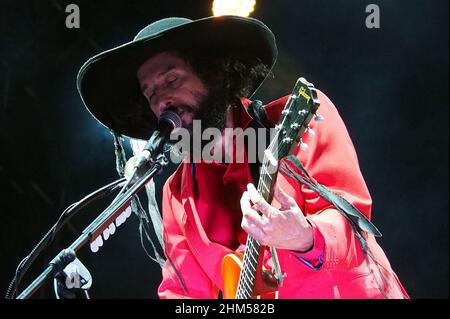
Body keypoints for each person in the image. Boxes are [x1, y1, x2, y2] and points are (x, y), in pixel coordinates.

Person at [77, 16, 409, 299]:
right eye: (151, 94)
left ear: (215, 73)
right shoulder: (176, 194)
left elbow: (354, 230)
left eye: (172, 79)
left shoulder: (301, 121)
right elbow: (181, 292)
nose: (162, 99)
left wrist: (305, 238)